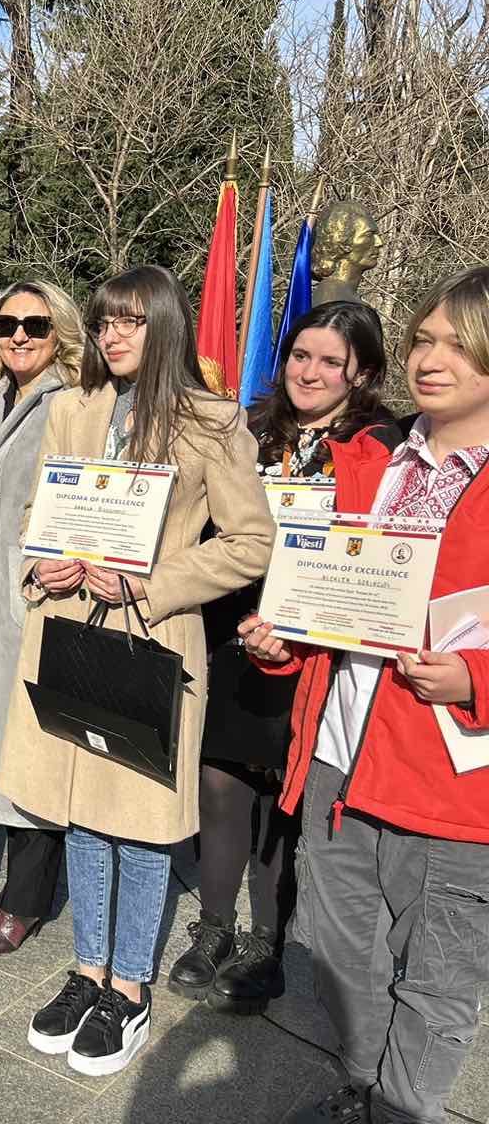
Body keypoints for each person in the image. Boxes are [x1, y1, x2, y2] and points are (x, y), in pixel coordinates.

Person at [0, 265, 273, 1076]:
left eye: (131, 321)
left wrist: (155, 583)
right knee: (82, 813)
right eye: (105, 321)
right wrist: (40, 563)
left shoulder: (212, 421)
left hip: (150, 637)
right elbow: (38, 513)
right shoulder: (73, 408)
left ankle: (129, 988)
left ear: (165, 327)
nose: (112, 335)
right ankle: (87, 971)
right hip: (70, 630)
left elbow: (251, 541)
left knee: (141, 823)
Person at [243, 266, 489, 1124]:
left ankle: (401, 1110)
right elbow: (323, 599)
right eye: (424, 339)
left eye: (460, 346)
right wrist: (283, 641)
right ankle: (360, 1086)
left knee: (437, 985)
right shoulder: (369, 458)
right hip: (338, 761)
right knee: (339, 960)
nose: (432, 359)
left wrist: (477, 679)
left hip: (451, 786)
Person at [171, 302, 392, 1012]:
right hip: (230, 633)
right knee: (219, 783)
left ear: (362, 374)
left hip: (311, 649)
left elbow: (373, 566)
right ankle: (213, 928)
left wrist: (299, 631)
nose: (310, 372)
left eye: (331, 361)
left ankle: (266, 941)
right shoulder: (250, 431)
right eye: (301, 355)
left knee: (279, 800)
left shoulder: (379, 448)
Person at [0, 280, 84, 953]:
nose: (18, 335)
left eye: (34, 325)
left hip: (39, 595)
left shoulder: (75, 403)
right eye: (7, 323)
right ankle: (19, 883)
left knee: (35, 749)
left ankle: (29, 899)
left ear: (58, 331)